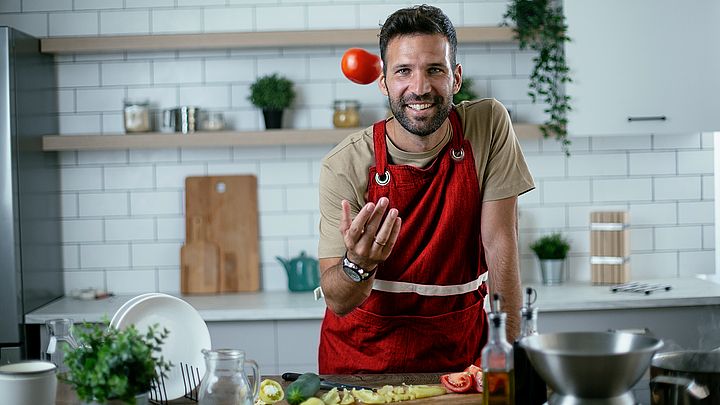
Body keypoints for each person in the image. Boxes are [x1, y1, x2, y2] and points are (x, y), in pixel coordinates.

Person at [317, 4, 535, 374]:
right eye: (403, 71)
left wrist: (510, 357)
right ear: (384, 82)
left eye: (435, 69)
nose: (419, 87)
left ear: (456, 78)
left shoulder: (488, 126)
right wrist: (359, 264)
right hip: (362, 367)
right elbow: (338, 300)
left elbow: (501, 244)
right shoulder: (346, 163)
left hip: (462, 357)